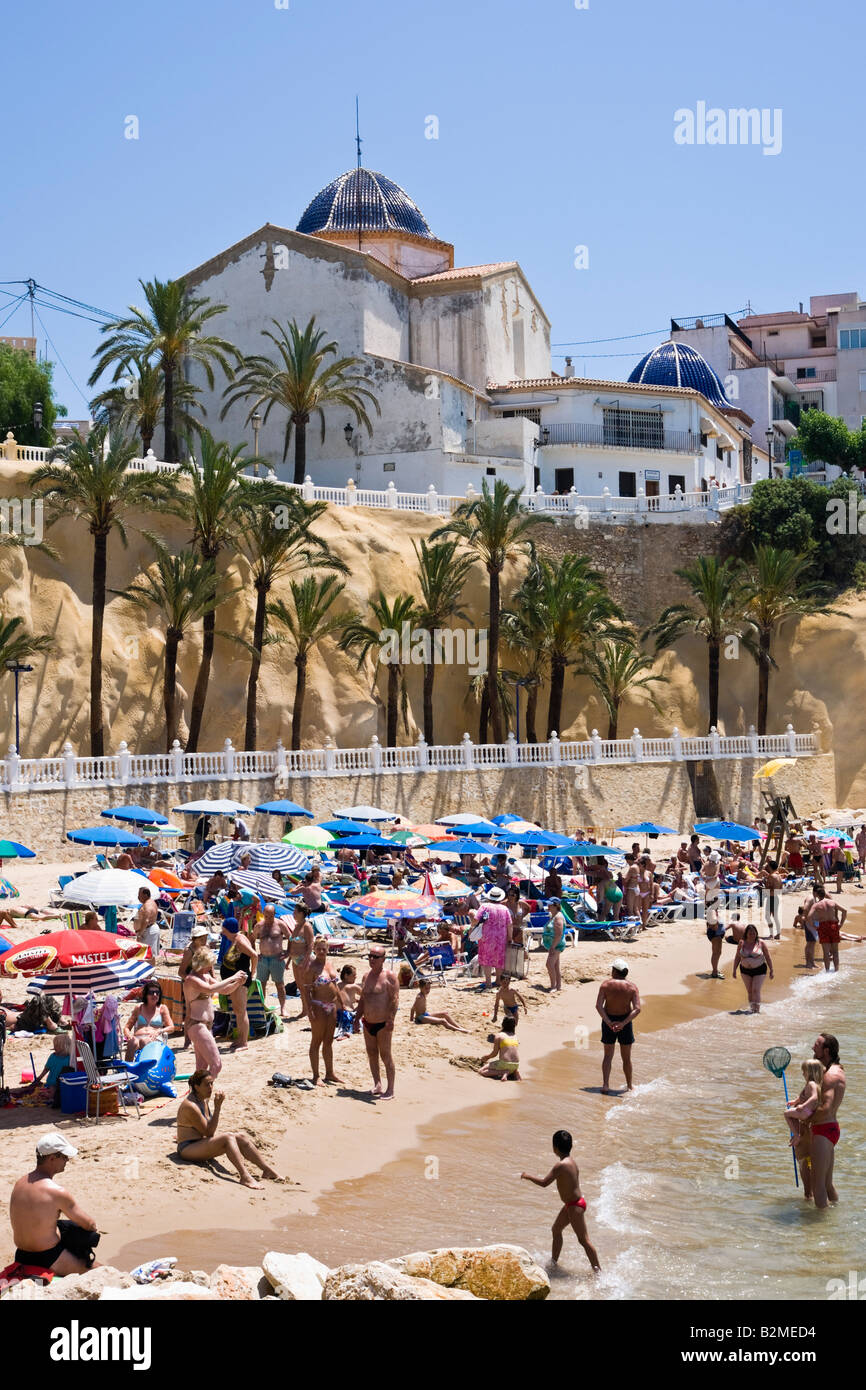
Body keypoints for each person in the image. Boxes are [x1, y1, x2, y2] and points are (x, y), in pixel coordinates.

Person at [9, 1134, 99, 1276]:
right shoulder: (57, 1192)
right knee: (102, 1271)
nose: (67, 1160)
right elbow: (90, 1225)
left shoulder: (19, 1183)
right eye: (64, 1157)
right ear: (52, 1158)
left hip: (21, 1254)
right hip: (48, 1257)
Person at [176, 1071, 282, 1189]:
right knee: (228, 1137)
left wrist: (216, 1107)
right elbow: (209, 1132)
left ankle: (266, 1170)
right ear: (196, 1087)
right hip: (187, 1149)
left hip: (199, 1143)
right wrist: (217, 1108)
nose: (211, 1087)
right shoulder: (191, 1106)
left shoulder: (203, 1099)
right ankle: (245, 1176)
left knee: (240, 1136)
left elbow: (209, 1132)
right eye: (207, 1085)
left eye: (212, 1084)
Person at [520, 1130, 600, 1272]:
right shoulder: (572, 1162)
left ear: (554, 1148)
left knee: (584, 1240)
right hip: (573, 1205)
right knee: (556, 1229)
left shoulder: (561, 1165)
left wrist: (527, 1176)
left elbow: (544, 1183)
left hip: (575, 1206)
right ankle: (554, 1263)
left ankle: (599, 1273)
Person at [182, 947, 246, 1077]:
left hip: (206, 1026)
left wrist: (238, 983)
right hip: (196, 1025)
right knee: (216, 1065)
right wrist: (232, 977)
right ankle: (201, 1092)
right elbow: (210, 989)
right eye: (209, 965)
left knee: (201, 1069)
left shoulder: (205, 976)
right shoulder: (191, 979)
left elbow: (225, 990)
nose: (210, 968)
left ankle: (195, 1094)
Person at [353, 946, 399, 1099]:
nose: (372, 959)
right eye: (370, 956)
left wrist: (391, 1019)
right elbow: (363, 999)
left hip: (383, 1024)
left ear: (383, 959)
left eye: (375, 957)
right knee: (372, 1054)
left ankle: (390, 1089)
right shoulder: (366, 976)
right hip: (367, 1022)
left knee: (386, 1055)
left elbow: (394, 999)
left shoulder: (389, 976)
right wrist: (356, 1018)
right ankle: (377, 1084)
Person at [301, 939, 345, 1085]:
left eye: (324, 949)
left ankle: (330, 1073)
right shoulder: (310, 967)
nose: (321, 951)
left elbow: (335, 985)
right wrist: (309, 1010)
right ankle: (315, 1076)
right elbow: (306, 990)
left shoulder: (330, 964)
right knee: (316, 1041)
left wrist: (341, 1002)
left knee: (328, 1041)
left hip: (332, 1005)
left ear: (328, 949)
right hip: (318, 1005)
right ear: (314, 949)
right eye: (318, 949)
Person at [810, 1034, 846, 1209]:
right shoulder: (837, 1070)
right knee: (827, 1184)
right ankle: (836, 1213)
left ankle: (819, 1229)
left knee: (818, 1186)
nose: (812, 1048)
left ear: (826, 1050)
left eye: (816, 1045)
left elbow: (825, 1109)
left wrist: (805, 1119)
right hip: (831, 1129)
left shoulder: (830, 1075)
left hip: (823, 1130)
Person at [596, 959, 641, 1094]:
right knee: (626, 1058)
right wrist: (623, 1023)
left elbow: (598, 1006)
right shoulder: (632, 987)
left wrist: (609, 1022)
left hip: (608, 1020)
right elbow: (637, 1009)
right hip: (625, 1022)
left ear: (615, 971)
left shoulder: (605, 985)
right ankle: (629, 1086)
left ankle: (605, 1085)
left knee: (608, 1056)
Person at [216, 915, 255, 1050]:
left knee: (241, 1011)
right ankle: (240, 1039)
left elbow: (254, 955)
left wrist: (252, 972)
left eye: (224, 929)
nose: (222, 932)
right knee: (238, 1010)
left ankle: (243, 1042)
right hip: (237, 978)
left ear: (228, 929)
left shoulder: (239, 940)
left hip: (241, 979)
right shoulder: (236, 938)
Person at [469, 887, 512, 990]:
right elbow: (509, 924)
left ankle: (488, 983)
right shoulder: (504, 908)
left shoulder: (485, 906)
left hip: (486, 937)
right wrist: (510, 938)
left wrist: (471, 927)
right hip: (501, 937)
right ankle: (498, 981)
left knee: (486, 959)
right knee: (499, 959)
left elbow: (476, 920)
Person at [254, 903, 292, 1019]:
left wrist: (287, 952)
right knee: (261, 985)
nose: (268, 919)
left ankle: (283, 1008)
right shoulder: (259, 926)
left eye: (270, 916)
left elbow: (290, 937)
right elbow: (252, 938)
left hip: (277, 958)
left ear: (274, 914)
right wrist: (255, 953)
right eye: (266, 916)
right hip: (263, 959)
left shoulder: (280, 924)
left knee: (279, 985)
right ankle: (262, 1007)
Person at [783, 1058, 824, 1157]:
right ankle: (797, 1134)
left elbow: (814, 1097)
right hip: (806, 1111)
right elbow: (802, 1097)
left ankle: (796, 1135)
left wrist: (803, 1106)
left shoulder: (811, 1084)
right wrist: (794, 1102)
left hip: (805, 1112)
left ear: (810, 1072)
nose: (802, 1074)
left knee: (786, 1114)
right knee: (792, 1116)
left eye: (804, 1072)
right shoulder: (811, 1084)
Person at [123, 981, 173, 1061]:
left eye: (157, 992)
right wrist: (129, 1036)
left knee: (144, 1041)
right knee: (132, 1043)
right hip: (137, 1037)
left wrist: (159, 1031)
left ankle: (146, 1069)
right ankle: (128, 1070)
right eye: (151, 992)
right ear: (146, 994)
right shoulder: (139, 1008)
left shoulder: (162, 1008)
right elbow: (127, 1027)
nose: (155, 995)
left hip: (155, 1037)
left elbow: (171, 1027)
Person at [731, 923, 774, 1013]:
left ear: (756, 933)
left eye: (754, 933)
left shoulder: (761, 943)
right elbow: (738, 956)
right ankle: (752, 1009)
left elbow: (767, 956)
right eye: (750, 933)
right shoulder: (741, 943)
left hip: (759, 970)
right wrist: (734, 969)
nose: (752, 935)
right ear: (746, 934)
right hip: (745, 970)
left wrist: (771, 970)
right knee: (750, 991)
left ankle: (757, 1011)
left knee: (755, 990)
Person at [807, 886, 846, 972]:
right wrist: (841, 923)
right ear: (824, 894)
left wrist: (814, 926)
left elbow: (809, 916)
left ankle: (827, 972)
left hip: (823, 926)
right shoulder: (832, 902)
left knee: (826, 952)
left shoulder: (816, 905)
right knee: (835, 951)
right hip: (833, 925)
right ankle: (836, 971)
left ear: (817, 895)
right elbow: (844, 911)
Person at [288, 903, 315, 1017]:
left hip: (304, 959)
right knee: (300, 986)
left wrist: (305, 962)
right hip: (295, 959)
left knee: (307, 986)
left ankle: (310, 1009)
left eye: (295, 912)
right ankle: (305, 1009)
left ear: (301, 913)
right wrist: (288, 961)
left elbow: (310, 945)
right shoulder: (296, 926)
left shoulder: (306, 926)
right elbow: (292, 944)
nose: (293, 914)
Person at [478, 1014, 521, 1080]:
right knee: (508, 1066)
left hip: (504, 1064)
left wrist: (486, 1057)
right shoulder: (515, 1036)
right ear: (514, 1026)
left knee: (481, 1071)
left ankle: (504, 1072)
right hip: (516, 1064)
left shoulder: (499, 1036)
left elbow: (494, 1053)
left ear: (503, 1024)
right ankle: (513, 1072)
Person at [542, 898, 565, 992]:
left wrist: (553, 946)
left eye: (550, 905)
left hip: (556, 945)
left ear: (556, 905)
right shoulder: (554, 915)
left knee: (549, 964)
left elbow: (559, 934)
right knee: (555, 965)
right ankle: (558, 986)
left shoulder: (558, 917)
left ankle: (553, 986)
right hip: (554, 944)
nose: (548, 906)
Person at [133, 886, 160, 962]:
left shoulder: (148, 905)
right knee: (145, 954)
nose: (138, 897)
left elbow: (146, 920)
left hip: (148, 930)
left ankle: (150, 973)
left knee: (148, 954)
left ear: (145, 895)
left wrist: (140, 934)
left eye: (139, 895)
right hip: (148, 929)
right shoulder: (149, 902)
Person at [760, 859, 783, 939]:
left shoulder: (771, 876)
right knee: (775, 916)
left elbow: (768, 888)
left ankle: (771, 934)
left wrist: (763, 884)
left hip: (771, 898)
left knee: (767, 916)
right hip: (777, 897)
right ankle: (778, 933)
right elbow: (780, 888)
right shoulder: (779, 876)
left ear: (770, 867)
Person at [336, 963, 360, 1037]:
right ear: (346, 975)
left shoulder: (337, 985)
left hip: (336, 1015)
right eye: (353, 975)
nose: (356, 977)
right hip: (348, 1015)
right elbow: (367, 997)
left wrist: (354, 999)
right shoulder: (353, 986)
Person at [793, 900, 819, 970]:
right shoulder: (808, 915)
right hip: (810, 928)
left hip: (808, 928)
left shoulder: (797, 917)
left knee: (811, 945)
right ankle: (809, 963)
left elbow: (794, 925)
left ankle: (811, 963)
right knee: (810, 945)